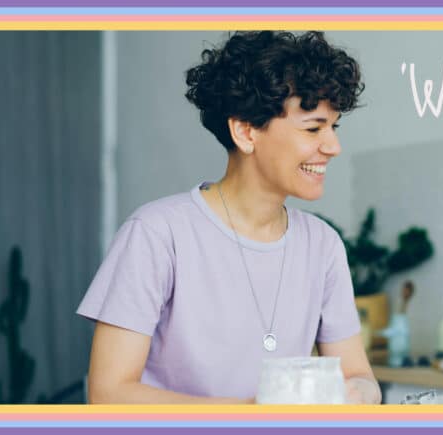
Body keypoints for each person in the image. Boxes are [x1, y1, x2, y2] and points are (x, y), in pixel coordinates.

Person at [77, 31, 380, 404]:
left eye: (334, 127)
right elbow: (108, 393)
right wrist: (254, 415)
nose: (333, 146)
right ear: (246, 131)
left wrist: (360, 393)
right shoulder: (157, 234)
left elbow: (357, 374)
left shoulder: (323, 244)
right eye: (313, 128)